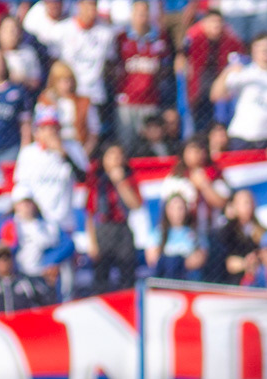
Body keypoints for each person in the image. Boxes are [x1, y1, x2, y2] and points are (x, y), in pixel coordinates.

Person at [213, 31, 267, 157]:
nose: (264, 51)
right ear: (253, 51)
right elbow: (217, 95)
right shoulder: (244, 74)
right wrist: (228, 71)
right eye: (260, 48)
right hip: (240, 139)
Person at [109, 0, 174, 148]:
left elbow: (165, 68)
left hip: (150, 100)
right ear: (132, 15)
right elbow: (111, 66)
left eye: (145, 13)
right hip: (126, 101)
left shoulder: (160, 38)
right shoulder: (121, 38)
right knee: (126, 144)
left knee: (153, 143)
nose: (142, 17)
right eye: (138, 13)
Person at [87, 141, 142, 294]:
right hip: (103, 230)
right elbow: (90, 213)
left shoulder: (129, 179)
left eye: (119, 155)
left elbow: (135, 205)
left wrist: (121, 182)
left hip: (122, 230)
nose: (116, 159)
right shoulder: (96, 181)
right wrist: (92, 242)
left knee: (127, 276)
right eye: (111, 155)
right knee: (101, 279)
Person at [147, 193, 206, 281]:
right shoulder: (158, 233)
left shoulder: (194, 234)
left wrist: (178, 262)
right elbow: (152, 259)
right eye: (172, 208)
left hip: (187, 279)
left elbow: (199, 259)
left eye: (180, 208)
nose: (176, 212)